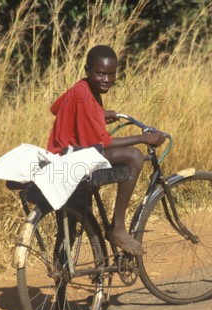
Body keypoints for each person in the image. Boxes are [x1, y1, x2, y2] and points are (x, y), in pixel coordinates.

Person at [47, 45, 165, 256]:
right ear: (87, 70)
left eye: (111, 74)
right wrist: (145, 137)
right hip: (73, 157)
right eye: (100, 73)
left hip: (62, 155)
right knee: (134, 156)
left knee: (69, 230)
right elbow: (104, 143)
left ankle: (63, 283)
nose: (106, 79)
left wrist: (98, 114)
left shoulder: (82, 89)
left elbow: (57, 107)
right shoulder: (85, 95)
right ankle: (118, 228)